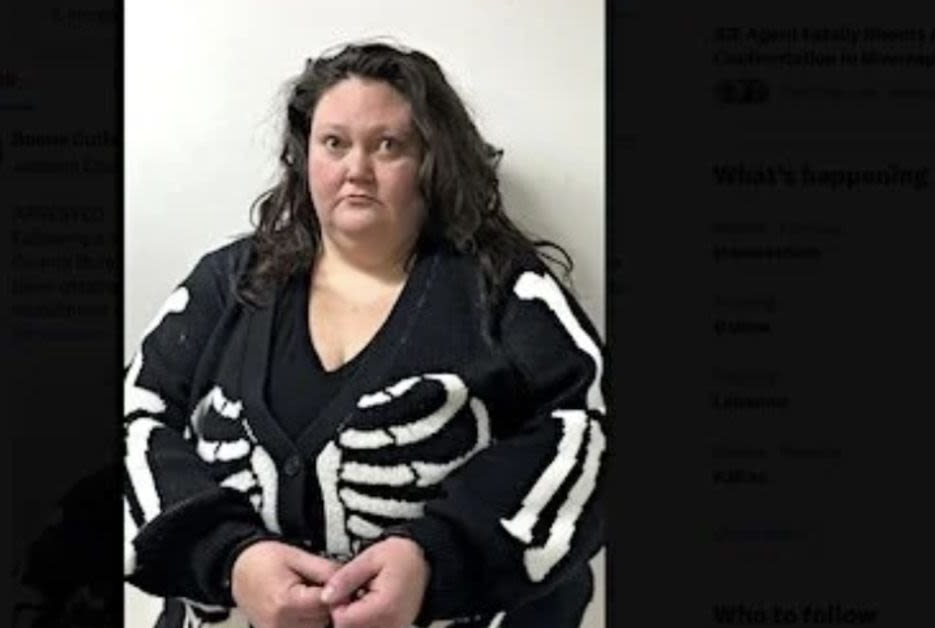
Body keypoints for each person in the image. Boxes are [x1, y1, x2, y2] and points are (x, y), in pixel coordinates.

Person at [123, 41, 607, 628]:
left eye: (388, 145)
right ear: (304, 156)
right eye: (334, 143)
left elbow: (591, 430)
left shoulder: (503, 289)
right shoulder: (227, 284)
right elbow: (133, 420)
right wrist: (229, 558)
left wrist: (434, 560)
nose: (357, 169)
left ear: (432, 160)